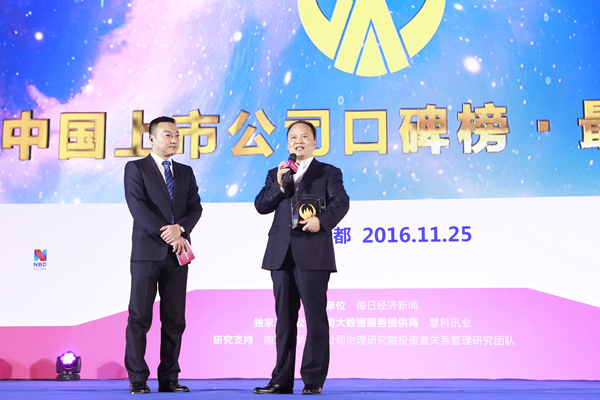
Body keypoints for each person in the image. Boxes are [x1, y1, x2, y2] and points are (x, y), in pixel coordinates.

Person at [253, 120, 350, 395]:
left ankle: (313, 380)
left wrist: (322, 220)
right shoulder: (276, 173)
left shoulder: (328, 172)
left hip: (313, 253)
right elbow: (261, 205)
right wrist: (279, 184)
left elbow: (341, 201)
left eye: (305, 137)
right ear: (287, 144)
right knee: (284, 321)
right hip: (281, 254)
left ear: (314, 142)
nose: (299, 141)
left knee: (315, 319)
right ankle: (280, 380)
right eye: (293, 137)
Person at [123, 116, 202, 394]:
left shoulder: (185, 172)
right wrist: (167, 232)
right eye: (168, 135)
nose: (174, 139)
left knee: (174, 320)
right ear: (152, 139)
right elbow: (138, 207)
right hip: (147, 252)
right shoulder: (136, 168)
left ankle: (169, 377)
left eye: (177, 135)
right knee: (139, 317)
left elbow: (195, 208)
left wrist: (180, 229)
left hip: (178, 254)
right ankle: (137, 378)